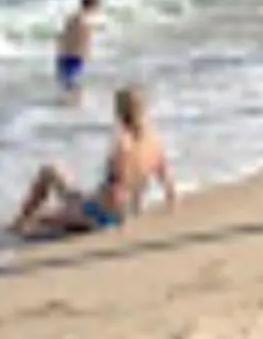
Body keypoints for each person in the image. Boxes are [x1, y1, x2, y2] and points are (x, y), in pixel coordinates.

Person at [11, 85, 177, 240]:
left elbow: (118, 186)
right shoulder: (155, 140)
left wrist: (114, 216)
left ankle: (19, 223)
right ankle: (25, 221)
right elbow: (167, 182)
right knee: (52, 171)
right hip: (117, 211)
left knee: (41, 218)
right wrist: (139, 209)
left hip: (98, 213)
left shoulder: (123, 142)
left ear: (119, 111)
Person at [54, 0, 102, 100]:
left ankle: (68, 101)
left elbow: (62, 34)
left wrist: (59, 48)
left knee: (66, 81)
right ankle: (74, 102)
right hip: (74, 55)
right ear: (93, 6)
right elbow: (84, 40)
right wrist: (86, 53)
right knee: (72, 81)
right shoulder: (86, 21)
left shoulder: (73, 17)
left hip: (63, 53)